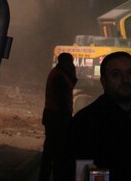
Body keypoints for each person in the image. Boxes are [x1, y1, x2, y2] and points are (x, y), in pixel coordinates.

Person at [70, 51, 131, 181]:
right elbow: (79, 171)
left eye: (130, 73)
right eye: (116, 74)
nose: (125, 80)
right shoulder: (86, 122)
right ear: (103, 81)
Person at [40, 52, 77, 181]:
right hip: (57, 117)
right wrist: (66, 120)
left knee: (50, 151)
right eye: (70, 62)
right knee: (56, 151)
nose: (72, 65)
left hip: (52, 116)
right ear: (65, 63)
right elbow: (61, 99)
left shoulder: (59, 73)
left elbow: (72, 84)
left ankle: (46, 176)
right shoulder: (59, 76)